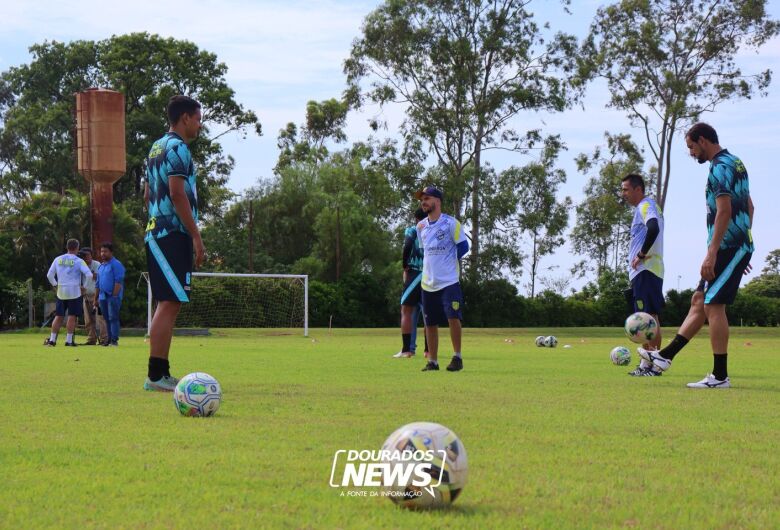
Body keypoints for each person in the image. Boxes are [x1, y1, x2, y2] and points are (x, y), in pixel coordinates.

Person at [639, 123, 754, 388]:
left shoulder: (720, 167)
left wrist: (717, 251)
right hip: (732, 246)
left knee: (713, 307)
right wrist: (743, 243)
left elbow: (725, 211)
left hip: (727, 247)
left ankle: (720, 376)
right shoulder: (735, 162)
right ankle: (665, 356)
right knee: (699, 300)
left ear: (703, 140)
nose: (691, 153)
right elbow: (749, 205)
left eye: (691, 147)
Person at [143, 95, 205, 392]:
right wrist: (195, 235)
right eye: (198, 119)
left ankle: (161, 373)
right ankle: (156, 375)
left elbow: (147, 195)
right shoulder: (179, 148)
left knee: (168, 302)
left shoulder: (156, 147)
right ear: (184, 118)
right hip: (171, 235)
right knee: (169, 302)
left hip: (157, 232)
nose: (199, 125)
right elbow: (177, 194)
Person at [414, 186, 469, 372]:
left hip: (449, 282)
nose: (423, 202)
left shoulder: (451, 223)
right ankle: (433, 361)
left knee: (453, 317)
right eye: (422, 199)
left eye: (427, 198)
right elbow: (424, 252)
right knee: (430, 323)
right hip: (428, 283)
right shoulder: (420, 226)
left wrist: (448, 263)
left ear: (437, 201)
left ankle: (457, 357)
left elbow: (463, 247)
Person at [620, 173, 665, 377]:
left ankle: (651, 364)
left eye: (626, 189)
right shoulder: (648, 206)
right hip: (649, 270)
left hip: (646, 270)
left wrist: (641, 254)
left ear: (638, 189)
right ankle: (651, 363)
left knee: (647, 319)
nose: (623, 194)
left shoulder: (645, 206)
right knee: (651, 318)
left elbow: (653, 228)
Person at [393, 208, 429, 358]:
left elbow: (408, 245)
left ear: (415, 218)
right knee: (429, 314)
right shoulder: (433, 231)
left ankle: (407, 349)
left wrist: (404, 264)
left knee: (406, 310)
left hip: (415, 273)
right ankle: (429, 350)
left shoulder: (412, 230)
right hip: (430, 274)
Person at [44, 238, 92, 347]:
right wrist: (84, 287)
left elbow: (49, 275)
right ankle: (69, 340)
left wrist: (56, 285)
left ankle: (52, 340)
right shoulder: (79, 261)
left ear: (67, 247)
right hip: (74, 291)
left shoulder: (58, 259)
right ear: (77, 248)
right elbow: (89, 275)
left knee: (59, 316)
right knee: (72, 316)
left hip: (61, 291)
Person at [96, 242, 125, 347]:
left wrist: (114, 296)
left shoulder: (116, 264)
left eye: (105, 251)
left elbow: (118, 282)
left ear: (111, 252)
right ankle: (108, 339)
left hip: (113, 296)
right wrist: (96, 299)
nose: (103, 253)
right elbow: (97, 284)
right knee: (106, 318)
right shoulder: (101, 266)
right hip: (102, 296)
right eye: (101, 251)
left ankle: (114, 340)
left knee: (113, 317)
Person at [78, 247, 108, 346]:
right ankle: (91, 339)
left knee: (100, 319)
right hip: (86, 296)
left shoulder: (97, 264)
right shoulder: (80, 266)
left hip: (97, 296)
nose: (86, 258)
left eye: (88, 256)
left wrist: (89, 271)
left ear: (91, 255)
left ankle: (104, 339)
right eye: (84, 256)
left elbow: (99, 278)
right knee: (88, 320)